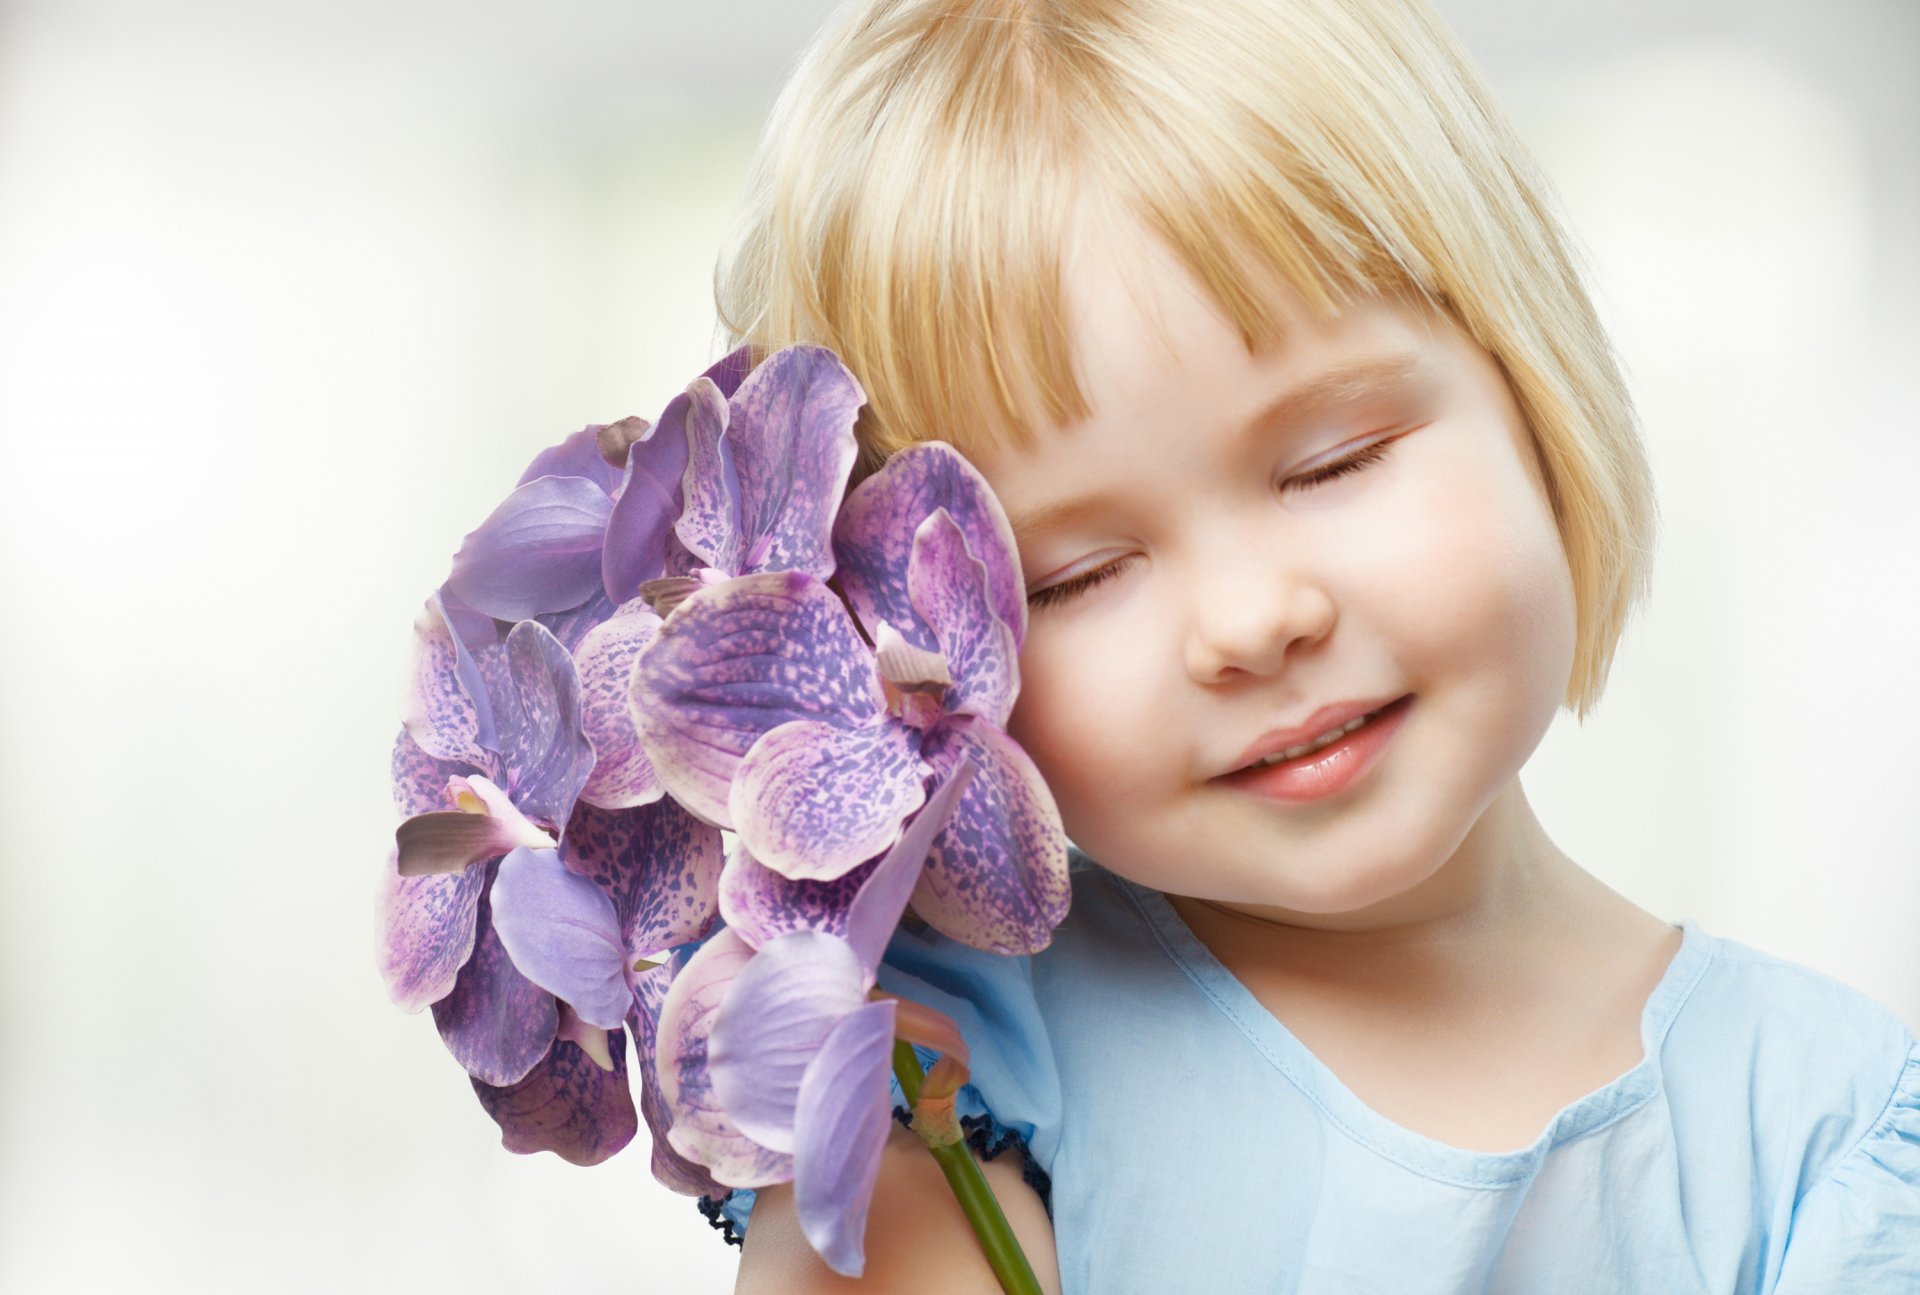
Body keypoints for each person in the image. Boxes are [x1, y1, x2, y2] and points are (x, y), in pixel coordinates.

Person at [695, 0, 1920, 1289]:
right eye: (1080, 575)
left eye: (1337, 461)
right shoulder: (937, 1064)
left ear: (1532, 379)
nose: (1249, 622)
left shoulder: (1822, 1139)